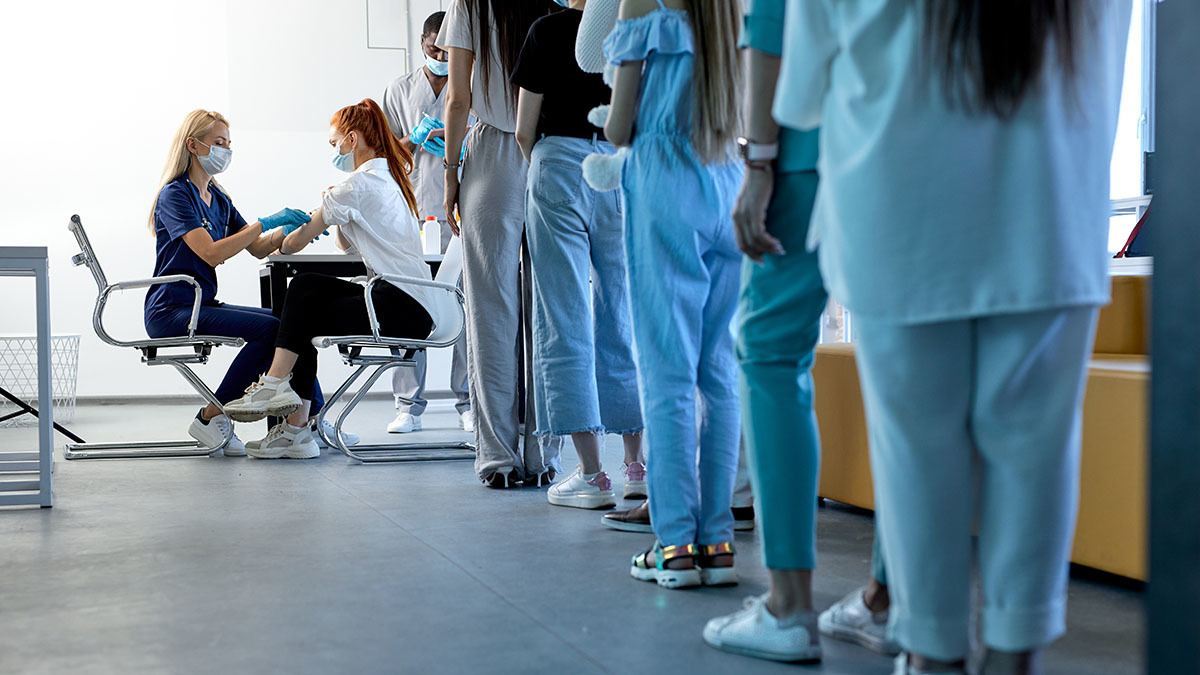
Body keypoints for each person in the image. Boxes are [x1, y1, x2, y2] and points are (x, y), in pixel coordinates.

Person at [779, 1, 1131, 673]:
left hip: (898, 213)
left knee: (915, 452)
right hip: (1051, 206)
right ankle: (1012, 654)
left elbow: (800, 96)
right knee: (1037, 445)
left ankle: (932, 650)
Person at [702, 0, 899, 662]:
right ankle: (887, 596)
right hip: (906, 136)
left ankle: (789, 605)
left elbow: (772, 24)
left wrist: (756, 161)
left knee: (769, 352)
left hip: (813, 142)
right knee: (901, 367)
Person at [604, 0, 743, 589]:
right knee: (720, 371)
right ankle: (716, 537)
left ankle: (674, 542)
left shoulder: (645, 2)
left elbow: (618, 125)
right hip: (729, 177)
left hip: (665, 179)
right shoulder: (735, 8)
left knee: (666, 371)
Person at [222, 99, 449, 459]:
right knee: (306, 292)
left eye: (334, 143)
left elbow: (292, 245)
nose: (334, 151)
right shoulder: (385, 178)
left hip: (400, 307)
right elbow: (347, 244)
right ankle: (293, 422)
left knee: (301, 303)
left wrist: (282, 225)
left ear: (353, 139)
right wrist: (334, 211)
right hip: (412, 303)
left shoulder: (358, 185)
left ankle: (280, 395)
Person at [511, 0, 646, 510]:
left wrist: (546, 165)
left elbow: (524, 128)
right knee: (624, 309)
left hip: (558, 163)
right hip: (619, 167)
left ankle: (591, 475)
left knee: (563, 313)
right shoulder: (632, 24)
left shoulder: (547, 29)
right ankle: (636, 467)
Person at [438, 0, 563, 489]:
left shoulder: (470, 3)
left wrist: (450, 172)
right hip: (551, 151)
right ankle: (542, 453)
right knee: (549, 309)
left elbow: (457, 98)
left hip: (492, 154)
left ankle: (497, 458)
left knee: (490, 309)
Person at [143, 109, 313, 456]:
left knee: (292, 326)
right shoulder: (175, 195)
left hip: (201, 304)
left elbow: (258, 247)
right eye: (218, 143)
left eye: (228, 144)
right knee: (271, 331)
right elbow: (210, 253)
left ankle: (305, 422)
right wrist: (265, 221)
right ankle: (210, 417)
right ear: (193, 145)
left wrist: (296, 230)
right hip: (171, 309)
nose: (226, 150)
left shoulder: (219, 199)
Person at [381, 10, 472, 435]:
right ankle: (407, 404)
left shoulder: (472, 84)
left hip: (460, 212)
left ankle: (468, 401)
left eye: (446, 50)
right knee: (408, 302)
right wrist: (412, 139)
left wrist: (461, 140)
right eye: (433, 48)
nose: (439, 55)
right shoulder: (399, 91)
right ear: (421, 43)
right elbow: (381, 158)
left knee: (464, 306)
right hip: (412, 212)